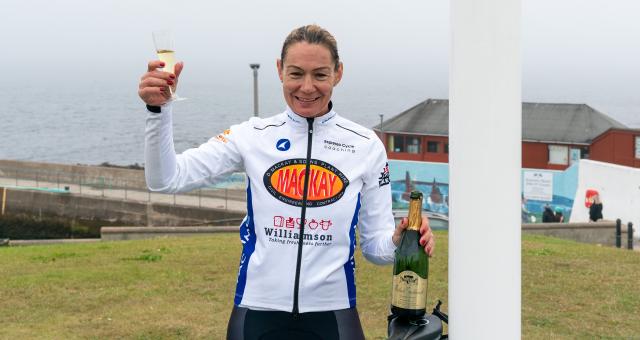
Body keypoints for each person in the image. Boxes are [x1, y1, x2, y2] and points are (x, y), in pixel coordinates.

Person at [138, 24, 435, 340]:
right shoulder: (251, 136)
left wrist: (400, 240)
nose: (307, 87)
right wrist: (158, 110)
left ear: (339, 73)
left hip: (333, 314)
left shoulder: (366, 145)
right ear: (279, 70)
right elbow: (165, 179)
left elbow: (375, 248)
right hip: (257, 311)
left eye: (320, 75)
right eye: (296, 74)